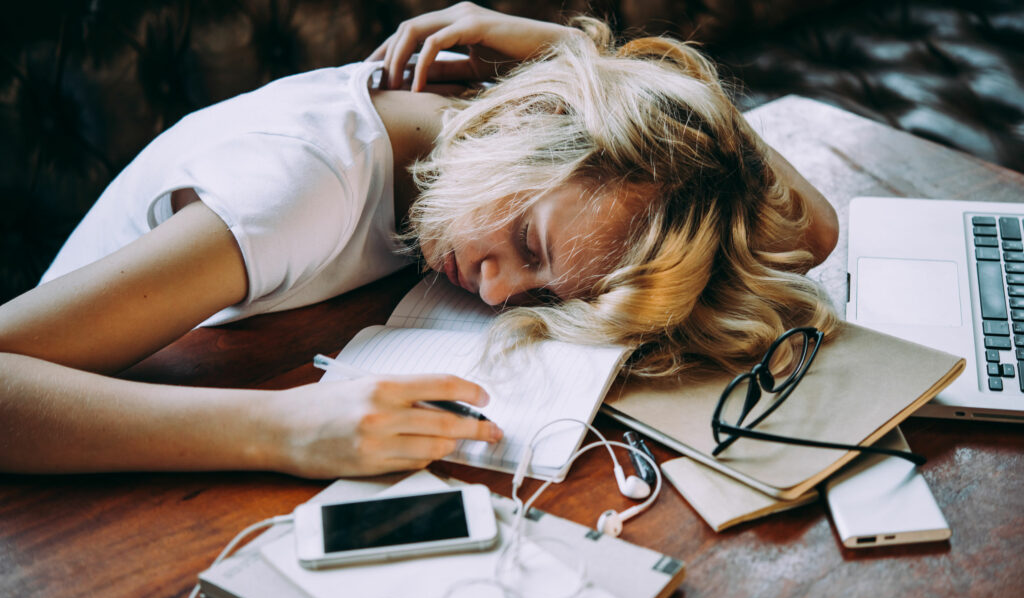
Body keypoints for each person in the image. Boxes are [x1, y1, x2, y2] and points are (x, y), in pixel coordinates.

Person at [0, 3, 838, 478]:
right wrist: (281, 430)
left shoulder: (464, 139)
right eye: (531, 247)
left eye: (545, 290)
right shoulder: (300, 190)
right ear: (526, 119)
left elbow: (812, 229)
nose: (500, 291)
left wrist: (579, 59)